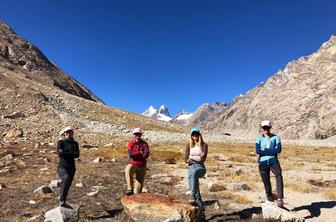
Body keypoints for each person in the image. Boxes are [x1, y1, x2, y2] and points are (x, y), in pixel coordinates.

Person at [256, 120, 284, 207]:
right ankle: (270, 198)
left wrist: (265, 150)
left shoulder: (276, 138)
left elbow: (278, 150)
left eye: (267, 127)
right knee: (266, 182)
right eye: (264, 127)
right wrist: (272, 151)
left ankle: (280, 199)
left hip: (273, 161)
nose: (266, 129)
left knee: (279, 176)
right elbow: (257, 151)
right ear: (262, 128)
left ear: (270, 127)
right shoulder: (259, 138)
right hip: (262, 163)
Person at [185, 128, 208, 216]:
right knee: (195, 186)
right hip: (191, 166)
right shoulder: (188, 145)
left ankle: (192, 195)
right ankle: (201, 209)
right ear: (191, 136)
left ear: (199, 135)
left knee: (193, 174)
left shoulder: (204, 145)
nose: (195, 136)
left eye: (196, 134)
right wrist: (194, 157)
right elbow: (185, 158)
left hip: (200, 168)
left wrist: (191, 157)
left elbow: (202, 159)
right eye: (193, 134)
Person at [56, 126, 80, 207]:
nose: (68, 133)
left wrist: (65, 153)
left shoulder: (75, 143)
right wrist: (71, 153)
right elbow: (59, 154)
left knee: (68, 184)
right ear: (64, 133)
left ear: (72, 133)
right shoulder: (60, 142)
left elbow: (77, 155)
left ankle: (63, 200)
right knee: (66, 179)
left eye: (70, 132)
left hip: (72, 168)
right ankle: (61, 200)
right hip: (62, 167)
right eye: (67, 132)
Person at [125, 128, 150, 195]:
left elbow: (146, 155)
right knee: (128, 169)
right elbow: (131, 155)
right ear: (134, 135)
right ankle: (129, 188)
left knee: (138, 191)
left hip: (142, 165)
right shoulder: (131, 143)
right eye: (136, 134)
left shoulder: (145, 144)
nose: (137, 135)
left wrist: (136, 154)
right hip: (133, 163)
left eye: (138, 134)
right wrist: (140, 152)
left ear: (141, 134)